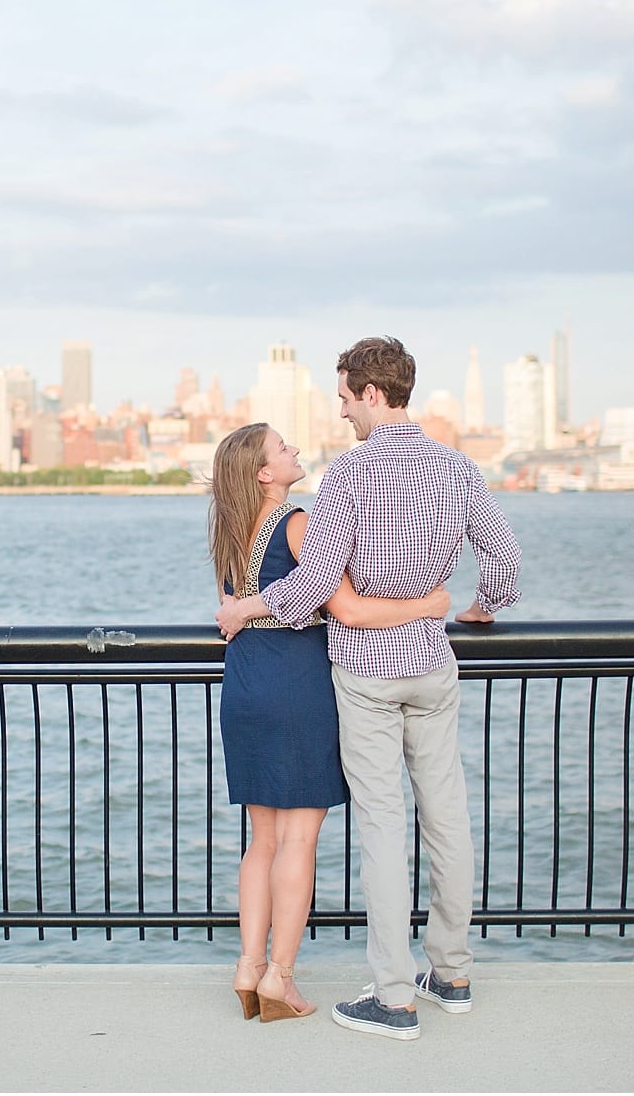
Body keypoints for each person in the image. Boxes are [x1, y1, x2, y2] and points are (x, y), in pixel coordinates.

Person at [218, 336, 521, 1042]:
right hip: (431, 663)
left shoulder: (349, 477)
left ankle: (394, 995)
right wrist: (479, 605)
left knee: (384, 827)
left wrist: (249, 608)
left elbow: (318, 582)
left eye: (347, 397)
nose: (344, 411)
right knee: (447, 815)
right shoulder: (458, 468)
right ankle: (451, 971)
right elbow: (502, 556)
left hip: (365, 671)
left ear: (374, 394)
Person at [210, 422, 452, 1024]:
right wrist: (429, 603)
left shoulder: (230, 531)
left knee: (261, 839)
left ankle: (247, 965)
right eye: (282, 448)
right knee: (299, 839)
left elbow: (252, 601)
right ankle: (281, 979)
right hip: (296, 684)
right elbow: (342, 606)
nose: (294, 451)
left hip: (244, 680)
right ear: (264, 473)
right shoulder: (298, 523)